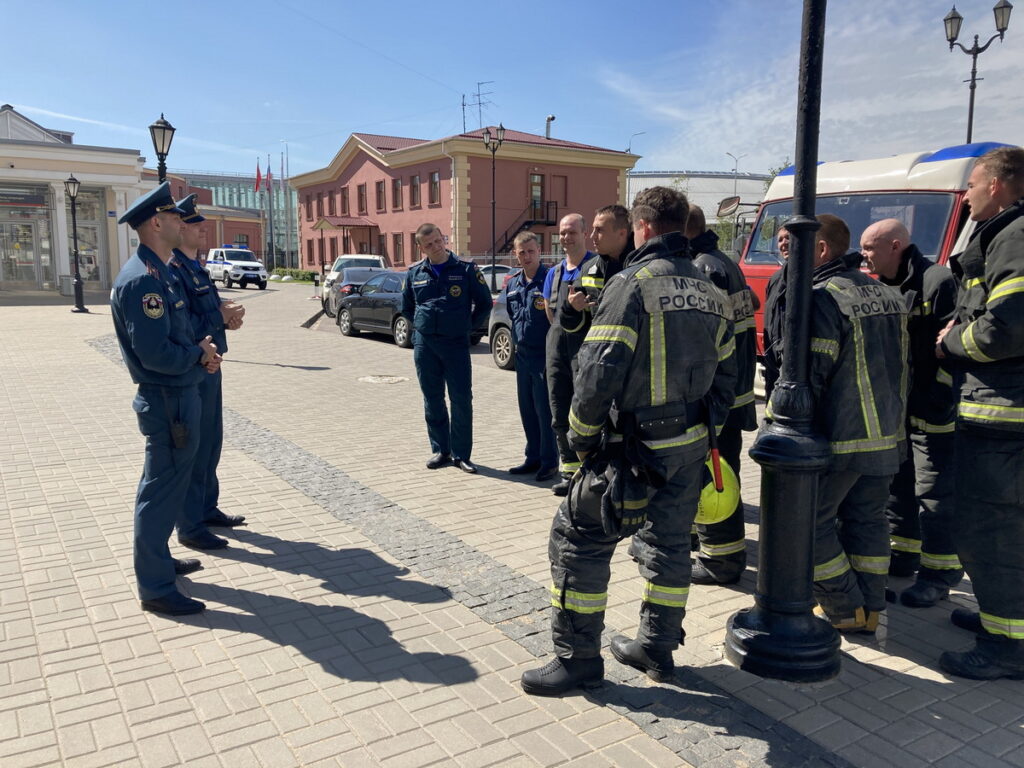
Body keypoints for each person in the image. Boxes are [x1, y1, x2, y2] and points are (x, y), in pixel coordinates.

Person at [521, 187, 736, 696]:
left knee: (576, 540)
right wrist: (703, 429)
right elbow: (729, 372)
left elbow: (598, 371)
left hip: (629, 451)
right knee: (669, 546)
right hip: (688, 446)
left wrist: (580, 439)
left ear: (643, 227)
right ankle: (656, 649)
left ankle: (577, 660)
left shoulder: (630, 284)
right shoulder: (710, 288)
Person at [773, 214, 908, 633]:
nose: (788, 256)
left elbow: (812, 372)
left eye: (797, 247)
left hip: (844, 437)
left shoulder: (823, 296)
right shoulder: (886, 293)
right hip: (887, 433)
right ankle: (870, 610)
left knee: (807, 524)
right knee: (869, 521)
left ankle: (843, 606)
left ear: (821, 249)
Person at [110, 182, 221, 616]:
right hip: (167, 399)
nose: (181, 221)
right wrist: (198, 355)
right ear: (157, 223)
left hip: (179, 392)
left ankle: (159, 560)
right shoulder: (144, 281)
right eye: (174, 216)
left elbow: (178, 336)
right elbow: (156, 354)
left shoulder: (160, 272)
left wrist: (201, 353)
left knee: (165, 487)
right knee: (159, 492)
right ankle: (155, 586)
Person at [936, 146, 1024, 680]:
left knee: (990, 529)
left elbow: (1005, 328)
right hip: (998, 415)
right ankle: (1003, 617)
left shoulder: (1014, 236)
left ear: (996, 185)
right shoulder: (1004, 235)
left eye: (971, 185)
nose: (965, 197)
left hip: (1003, 418)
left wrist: (951, 343)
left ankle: (1006, 645)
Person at [859, 218, 961, 607]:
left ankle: (939, 574)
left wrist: (938, 399)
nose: (863, 255)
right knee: (898, 486)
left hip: (933, 411)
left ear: (895, 246)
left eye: (869, 247)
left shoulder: (938, 282)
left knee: (933, 494)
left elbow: (950, 349)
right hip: (896, 409)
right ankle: (904, 555)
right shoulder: (881, 286)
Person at [169, 195, 247, 556]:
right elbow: (183, 323)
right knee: (194, 446)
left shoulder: (196, 268)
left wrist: (228, 316)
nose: (203, 229)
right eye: (195, 224)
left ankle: (206, 507)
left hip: (211, 365)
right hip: (194, 367)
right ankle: (189, 525)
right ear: (179, 228)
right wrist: (219, 316)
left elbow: (208, 310)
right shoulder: (174, 270)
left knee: (212, 441)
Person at [686, 206, 758, 585]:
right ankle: (703, 537)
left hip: (718, 392)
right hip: (735, 387)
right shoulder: (724, 262)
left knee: (718, 474)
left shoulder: (703, 268)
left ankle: (723, 559)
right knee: (722, 470)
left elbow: (705, 338)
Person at [401, 223, 492, 473]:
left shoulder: (466, 269)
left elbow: (484, 303)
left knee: (461, 398)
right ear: (421, 248)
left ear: (444, 239)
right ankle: (441, 450)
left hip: (455, 344)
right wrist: (422, 325)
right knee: (432, 398)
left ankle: (461, 455)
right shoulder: (415, 273)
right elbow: (406, 307)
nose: (436, 246)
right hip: (425, 344)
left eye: (438, 240)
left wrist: (467, 328)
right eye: (429, 244)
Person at [543, 213, 597, 495]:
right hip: (556, 348)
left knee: (584, 410)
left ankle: (590, 471)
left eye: (572, 232)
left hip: (584, 348)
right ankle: (568, 472)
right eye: (563, 233)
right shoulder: (553, 273)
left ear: (584, 234)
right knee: (558, 409)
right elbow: (550, 311)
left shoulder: (595, 268)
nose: (566, 237)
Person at [505, 232, 559, 481]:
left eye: (530, 251)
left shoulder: (549, 280)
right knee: (527, 409)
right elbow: (512, 315)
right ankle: (533, 457)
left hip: (543, 356)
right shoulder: (513, 284)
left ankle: (549, 462)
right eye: (521, 252)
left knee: (544, 411)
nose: (526, 256)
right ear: (515, 255)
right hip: (523, 356)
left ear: (539, 251)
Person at [762, 225, 790, 401]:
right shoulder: (775, 279)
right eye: (780, 239)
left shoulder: (808, 276)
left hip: (790, 363)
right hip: (773, 359)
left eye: (788, 238)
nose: (783, 243)